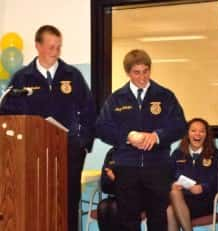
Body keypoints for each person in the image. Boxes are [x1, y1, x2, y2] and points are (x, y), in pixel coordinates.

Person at [0, 25, 96, 231]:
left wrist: (82, 145)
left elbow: (89, 112)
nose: (55, 52)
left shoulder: (73, 75)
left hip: (68, 151)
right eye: (51, 47)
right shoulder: (22, 78)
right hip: (31, 153)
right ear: (38, 46)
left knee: (68, 203)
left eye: (58, 47)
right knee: (35, 202)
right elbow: (6, 113)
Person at [96, 49, 186, 231]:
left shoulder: (165, 96)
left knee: (158, 220)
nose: (142, 77)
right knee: (128, 221)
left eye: (146, 71)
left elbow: (180, 126)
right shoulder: (116, 99)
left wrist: (157, 136)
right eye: (137, 73)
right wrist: (127, 136)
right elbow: (101, 128)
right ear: (128, 73)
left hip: (157, 167)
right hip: (126, 167)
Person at [167, 118, 218, 231]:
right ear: (188, 134)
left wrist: (202, 187)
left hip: (204, 201)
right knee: (171, 204)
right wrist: (172, 185)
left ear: (206, 135)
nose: (197, 134)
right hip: (182, 200)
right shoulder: (178, 154)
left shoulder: (215, 155)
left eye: (202, 131)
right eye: (193, 130)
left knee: (171, 210)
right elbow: (167, 177)